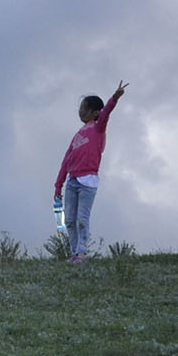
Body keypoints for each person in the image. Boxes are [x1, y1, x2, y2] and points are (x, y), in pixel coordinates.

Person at [53, 80, 127, 265]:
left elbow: (106, 115)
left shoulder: (98, 128)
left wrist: (114, 99)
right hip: (72, 181)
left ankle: (81, 253)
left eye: (84, 109)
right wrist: (58, 184)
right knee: (69, 220)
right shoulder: (78, 135)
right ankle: (74, 253)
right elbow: (66, 160)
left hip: (88, 181)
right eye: (80, 109)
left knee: (82, 219)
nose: (80, 112)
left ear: (95, 113)